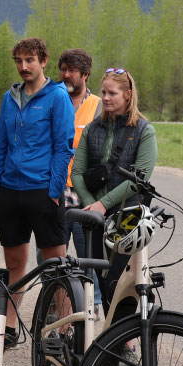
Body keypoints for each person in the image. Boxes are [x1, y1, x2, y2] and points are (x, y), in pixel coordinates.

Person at [0, 38, 74, 347]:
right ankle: (10, 328)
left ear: (43, 61)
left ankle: (65, 331)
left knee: (57, 267)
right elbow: (1, 144)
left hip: (43, 192)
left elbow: (63, 147)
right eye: (19, 61)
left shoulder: (57, 97)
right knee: (15, 266)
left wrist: (54, 191)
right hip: (9, 192)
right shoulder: (9, 97)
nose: (24, 66)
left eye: (30, 60)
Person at [72, 67, 157, 298]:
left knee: (122, 282)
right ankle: (109, 333)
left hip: (129, 217)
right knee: (101, 278)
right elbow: (77, 173)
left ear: (128, 94)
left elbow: (139, 178)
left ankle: (125, 333)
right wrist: (92, 206)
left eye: (112, 93)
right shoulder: (92, 128)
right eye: (104, 92)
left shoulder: (144, 130)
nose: (106, 98)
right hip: (94, 217)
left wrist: (103, 203)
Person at [57, 49, 102, 306]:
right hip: (55, 192)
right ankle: (55, 308)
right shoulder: (53, 100)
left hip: (85, 194)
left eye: (72, 70)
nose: (65, 75)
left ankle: (90, 310)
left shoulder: (98, 106)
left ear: (85, 75)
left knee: (90, 259)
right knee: (52, 258)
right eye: (63, 69)